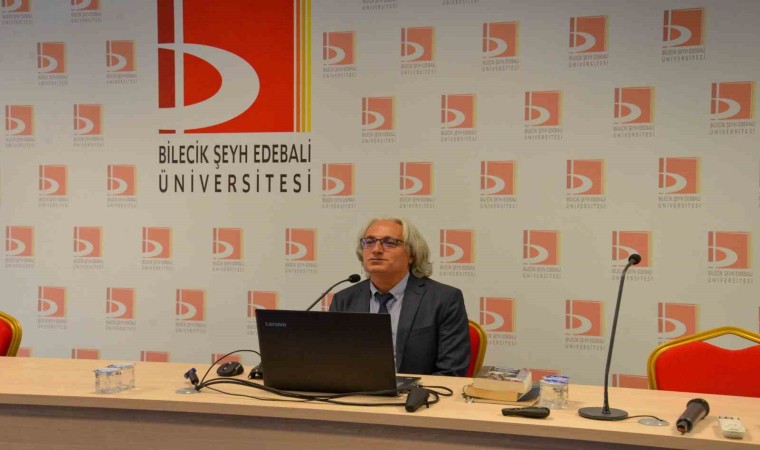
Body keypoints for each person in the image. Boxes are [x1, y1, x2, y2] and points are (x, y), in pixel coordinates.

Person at [330, 216, 471, 376]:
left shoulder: (444, 299)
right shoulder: (343, 300)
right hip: (355, 389)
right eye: (369, 242)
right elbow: (332, 363)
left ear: (412, 254)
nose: (376, 249)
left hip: (418, 391)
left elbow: (451, 372)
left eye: (389, 242)